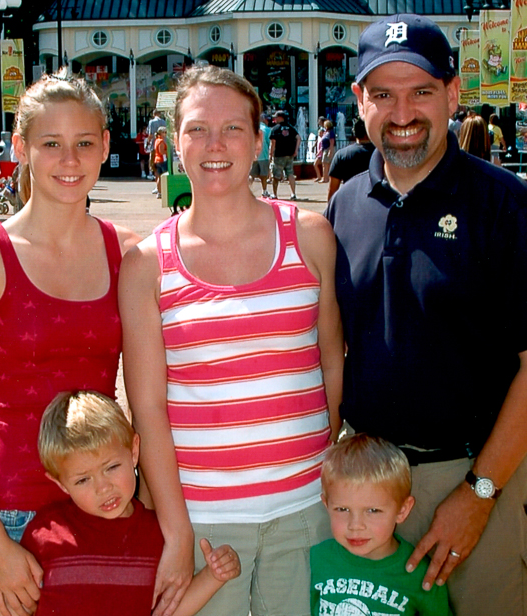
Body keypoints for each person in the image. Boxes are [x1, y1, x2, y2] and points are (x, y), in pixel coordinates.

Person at [325, 14, 527, 616]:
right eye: (383, 94)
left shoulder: (505, 206)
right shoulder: (345, 206)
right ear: (360, 100)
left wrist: (480, 493)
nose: (403, 112)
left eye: (421, 91)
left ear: (453, 93)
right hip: (371, 485)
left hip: (473, 471)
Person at [120, 65, 344, 616]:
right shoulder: (146, 264)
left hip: (306, 513)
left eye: (233, 129)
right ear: (174, 143)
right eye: (197, 129)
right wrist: (175, 531)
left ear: (258, 139)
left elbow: (331, 364)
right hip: (203, 525)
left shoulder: (310, 237)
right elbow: (146, 408)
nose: (214, 145)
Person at [0, 68, 139, 616]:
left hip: (104, 506)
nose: (69, 161)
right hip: (8, 512)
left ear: (104, 148)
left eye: (83, 143)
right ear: (21, 149)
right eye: (51, 144)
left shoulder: (130, 254)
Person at [0, 390, 241, 616]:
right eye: (82, 480)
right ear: (60, 483)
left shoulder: (156, 535)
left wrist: (213, 576)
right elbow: (15, 606)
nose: (103, 487)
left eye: (111, 467)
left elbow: (169, 610)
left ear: (134, 451)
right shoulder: (45, 535)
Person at [312, 434, 453, 616]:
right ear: (326, 505)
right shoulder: (318, 559)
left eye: (373, 511)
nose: (356, 525)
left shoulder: (419, 574)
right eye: (342, 509)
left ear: (402, 511)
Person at [327, 118, 375, 201]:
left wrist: (331, 211)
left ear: (354, 132)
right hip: (375, 203)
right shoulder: (381, 154)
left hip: (350, 202)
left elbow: (333, 189)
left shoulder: (341, 155)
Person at [269, 110, 301, 200]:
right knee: (290, 174)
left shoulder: (275, 128)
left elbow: (273, 143)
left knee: (276, 175)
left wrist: (270, 154)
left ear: (280, 117)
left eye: (276, 117)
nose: (274, 118)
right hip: (289, 154)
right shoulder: (290, 128)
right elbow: (298, 138)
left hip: (279, 155)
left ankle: (275, 194)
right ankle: (293, 193)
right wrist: (296, 150)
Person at [250, 113, 271, 198]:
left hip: (254, 155)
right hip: (264, 155)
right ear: (264, 120)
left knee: (252, 175)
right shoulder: (267, 130)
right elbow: (270, 142)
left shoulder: (253, 129)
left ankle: (247, 190)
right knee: (264, 175)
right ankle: (264, 191)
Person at [147, 109, 166, 180]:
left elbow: (150, 134)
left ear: (153, 114)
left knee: (153, 163)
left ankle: (153, 175)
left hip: (155, 144)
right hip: (163, 144)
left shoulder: (152, 122)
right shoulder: (164, 122)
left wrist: (147, 143)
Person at [153, 126, 168, 199]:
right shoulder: (161, 141)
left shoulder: (157, 140)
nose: (165, 134)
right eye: (164, 132)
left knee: (159, 177)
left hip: (157, 160)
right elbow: (161, 151)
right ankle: (162, 191)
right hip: (162, 160)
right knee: (164, 176)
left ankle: (159, 192)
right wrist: (168, 152)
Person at [313, 116, 326, 182]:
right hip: (320, 151)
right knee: (321, 165)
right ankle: (320, 176)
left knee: (317, 164)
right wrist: (314, 145)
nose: (318, 122)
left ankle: (321, 177)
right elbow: (318, 138)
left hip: (321, 152)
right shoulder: (320, 128)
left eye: (319, 121)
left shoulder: (324, 129)